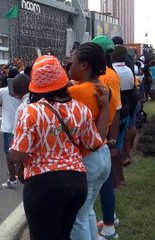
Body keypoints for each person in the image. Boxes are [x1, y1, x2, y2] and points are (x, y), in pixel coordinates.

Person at [10, 55, 109, 240]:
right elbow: (94, 143)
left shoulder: (31, 111)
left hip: (43, 185)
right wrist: (105, 108)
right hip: (76, 182)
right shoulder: (81, 109)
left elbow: (17, 154)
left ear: (35, 85)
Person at [68, 42, 117, 240]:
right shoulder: (104, 87)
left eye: (72, 62)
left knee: (77, 218)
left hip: (87, 158)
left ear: (84, 66)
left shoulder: (76, 93)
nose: (69, 66)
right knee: (87, 210)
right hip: (102, 154)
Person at [92, 36, 121, 239]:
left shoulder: (106, 77)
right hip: (99, 136)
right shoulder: (111, 74)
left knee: (102, 184)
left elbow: (116, 110)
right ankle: (110, 219)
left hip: (98, 137)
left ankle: (109, 227)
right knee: (104, 183)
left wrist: (112, 142)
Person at [111, 44, 135, 188]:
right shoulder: (128, 70)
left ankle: (116, 179)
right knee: (118, 146)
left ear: (112, 56)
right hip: (126, 109)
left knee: (112, 147)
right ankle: (120, 179)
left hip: (117, 110)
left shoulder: (112, 73)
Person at [0, 75, 21, 188]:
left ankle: (12, 178)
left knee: (8, 152)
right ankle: (17, 172)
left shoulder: (2, 91)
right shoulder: (21, 90)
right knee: (19, 149)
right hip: (20, 125)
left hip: (7, 126)